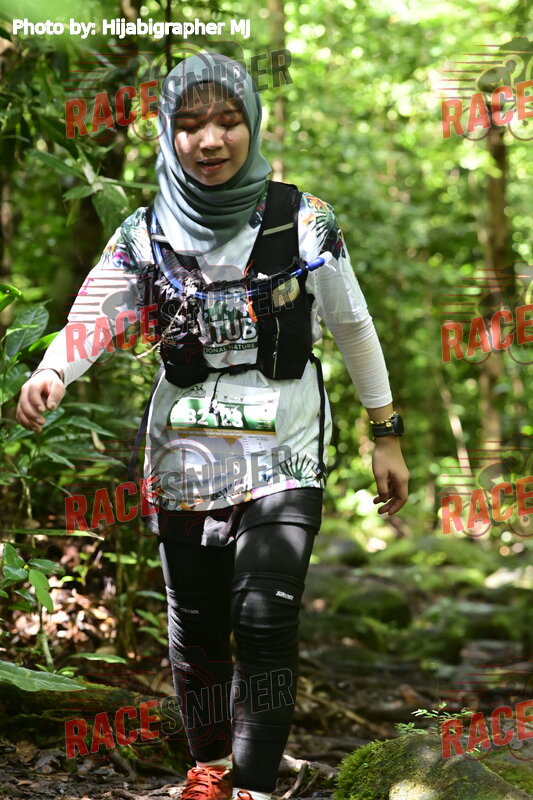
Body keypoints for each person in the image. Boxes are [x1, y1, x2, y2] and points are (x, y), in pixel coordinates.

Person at [16, 52, 408, 800]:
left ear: (251, 124)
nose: (210, 140)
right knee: (194, 626)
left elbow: (352, 325)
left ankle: (253, 785)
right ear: (169, 133)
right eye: (191, 124)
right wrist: (52, 372)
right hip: (184, 453)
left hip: (286, 444)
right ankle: (212, 768)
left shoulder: (305, 219)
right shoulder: (145, 231)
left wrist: (383, 431)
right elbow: (95, 313)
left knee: (265, 614)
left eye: (228, 121)